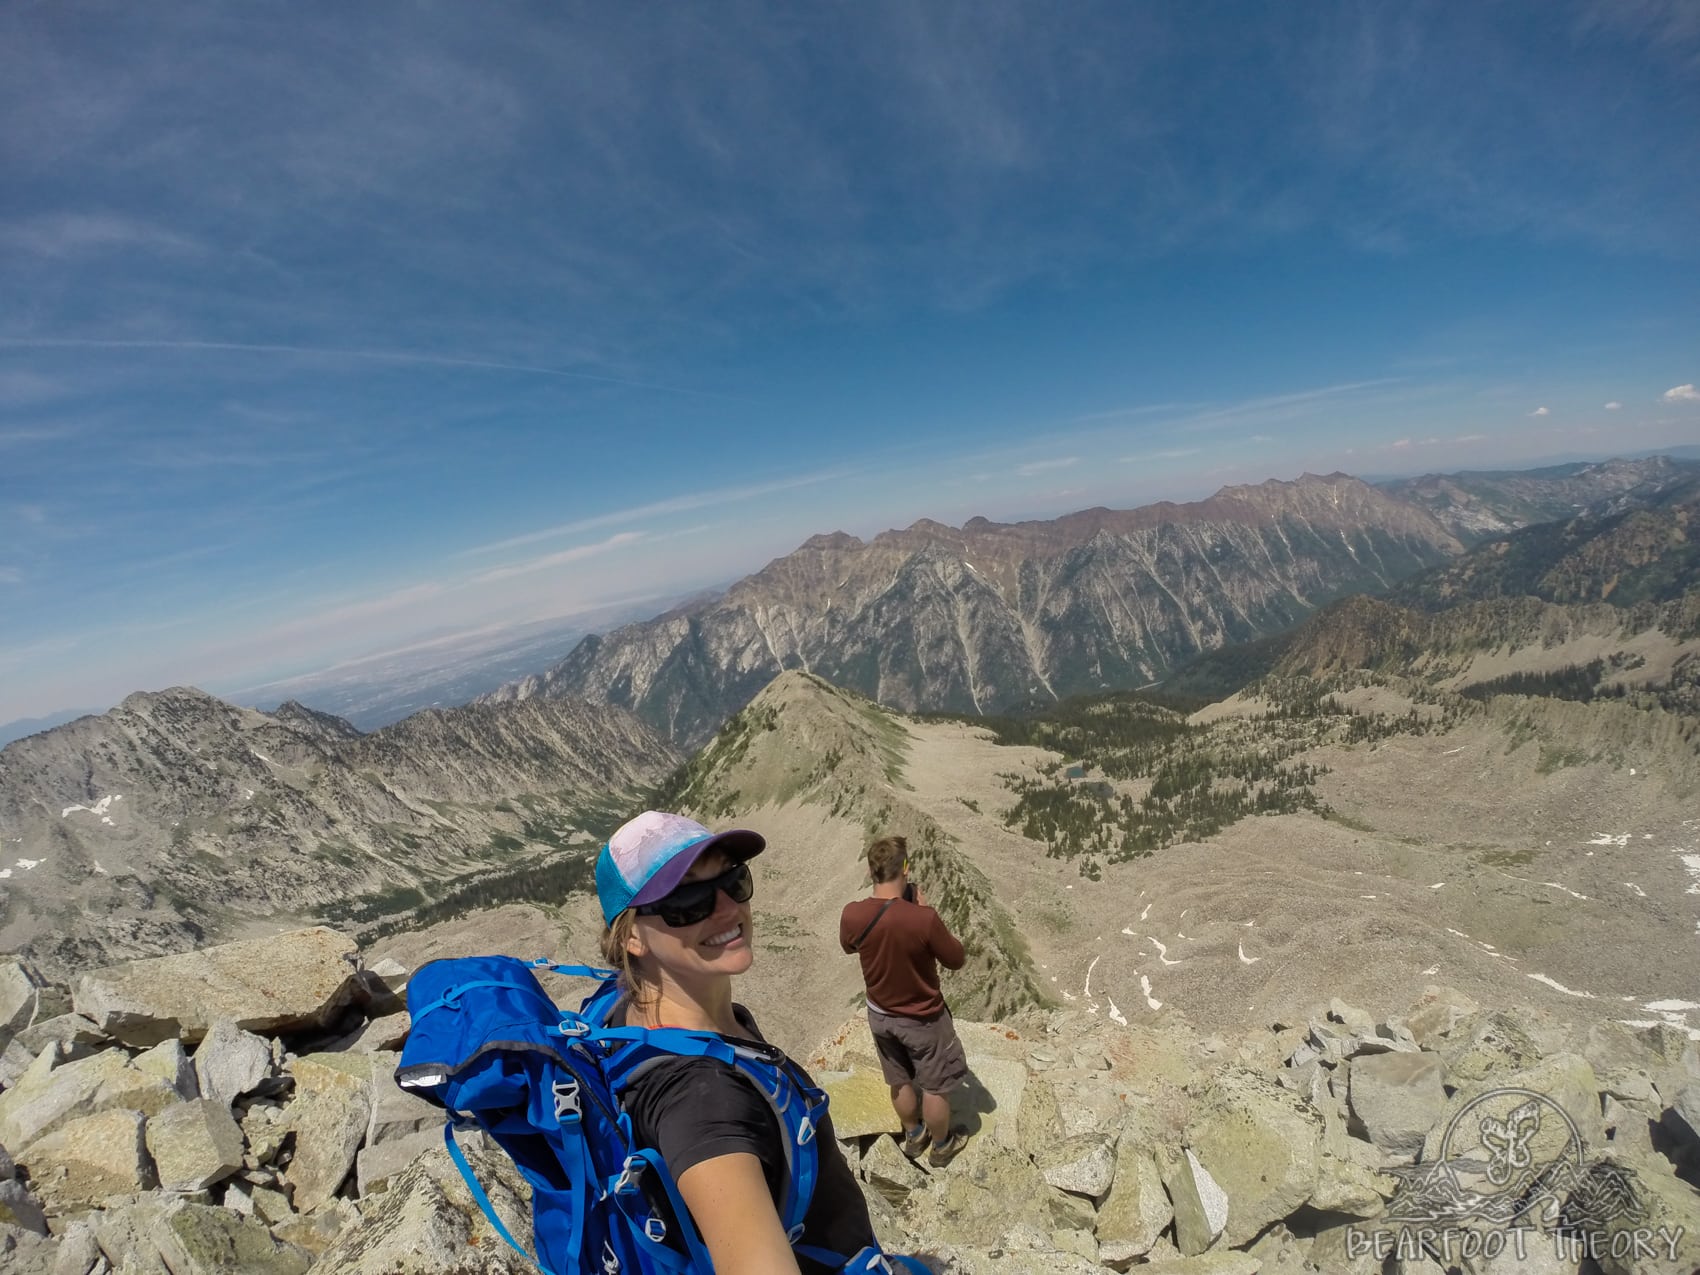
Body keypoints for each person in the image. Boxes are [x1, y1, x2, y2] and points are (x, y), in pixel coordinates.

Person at [596, 810, 881, 1275]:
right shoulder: (703, 1102)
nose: (728, 908)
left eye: (734, 879)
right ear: (631, 937)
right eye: (687, 900)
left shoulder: (630, 1010)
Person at [838, 834, 971, 1168]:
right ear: (906, 869)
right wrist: (924, 913)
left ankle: (913, 1136)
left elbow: (849, 946)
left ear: (872, 873)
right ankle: (942, 1145)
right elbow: (956, 958)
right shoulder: (922, 919)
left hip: (880, 1015)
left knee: (898, 1078)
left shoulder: (852, 914)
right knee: (936, 1086)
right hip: (922, 1018)